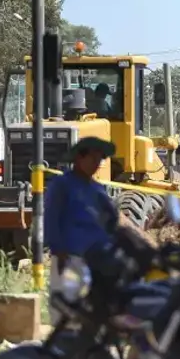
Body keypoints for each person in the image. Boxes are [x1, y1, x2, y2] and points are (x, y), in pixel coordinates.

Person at [43, 136, 119, 323]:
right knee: (66, 309)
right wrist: (58, 250)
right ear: (79, 158)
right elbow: (51, 218)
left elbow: (110, 221)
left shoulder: (98, 189)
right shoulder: (62, 186)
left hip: (96, 261)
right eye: (92, 158)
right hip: (70, 258)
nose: (96, 163)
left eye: (99, 159)